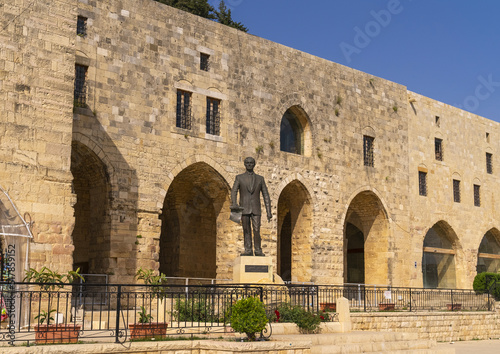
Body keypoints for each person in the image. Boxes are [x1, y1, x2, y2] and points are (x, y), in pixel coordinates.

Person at [231, 157, 272, 256]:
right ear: (245, 164)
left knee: (257, 229)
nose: (249, 164)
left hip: (256, 208)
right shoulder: (239, 177)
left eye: (251, 163)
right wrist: (234, 203)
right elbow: (234, 191)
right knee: (246, 230)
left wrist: (269, 211)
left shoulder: (260, 179)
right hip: (244, 208)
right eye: (247, 163)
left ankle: (258, 250)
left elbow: (266, 194)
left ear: (254, 164)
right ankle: (248, 250)